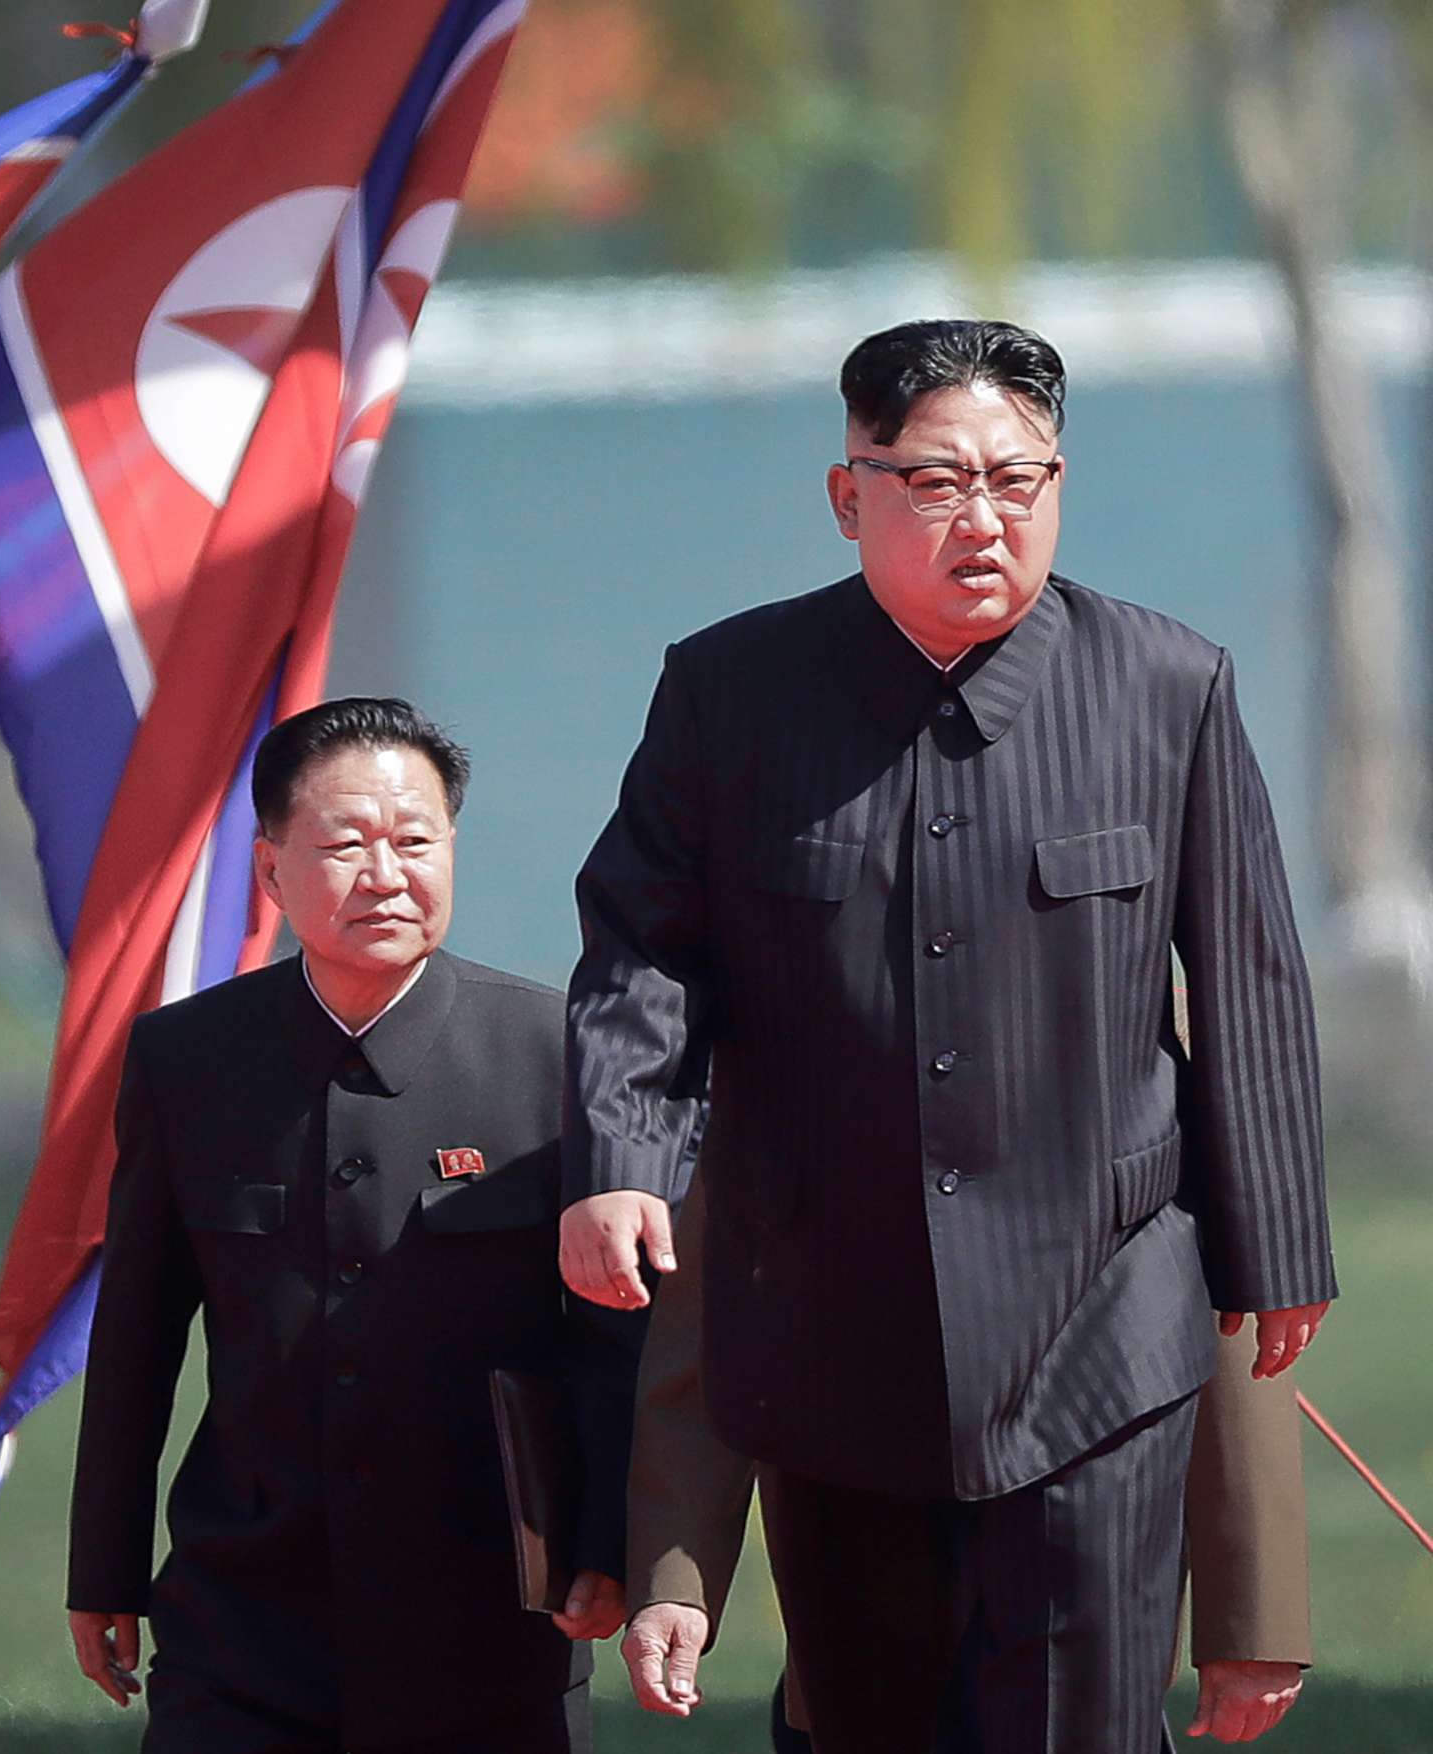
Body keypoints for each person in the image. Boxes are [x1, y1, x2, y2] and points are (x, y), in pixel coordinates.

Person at [555, 318, 1337, 1753]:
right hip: (827, 1325)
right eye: (936, 482)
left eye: (1019, 479)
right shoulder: (732, 696)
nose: (984, 518)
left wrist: (1277, 1247)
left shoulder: (1168, 688)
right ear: (850, 493)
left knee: (1077, 1722)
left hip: (1098, 1322)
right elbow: (642, 951)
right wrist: (621, 1157)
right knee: (867, 1721)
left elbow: (1248, 982)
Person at [67, 697, 646, 1754]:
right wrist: (103, 1568)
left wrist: (610, 1539)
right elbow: (138, 1337)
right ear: (271, 870)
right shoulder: (188, 1061)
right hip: (244, 1620)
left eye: (415, 840)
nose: (386, 872)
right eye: (345, 844)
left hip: (489, 1626)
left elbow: (614, 1335)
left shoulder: (555, 1053)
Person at [622, 1186, 1314, 1748]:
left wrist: (1253, 1617)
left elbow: (1221, 1271)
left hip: (1086, 1587)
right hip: (856, 1588)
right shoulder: (786, 1015)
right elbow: (717, 1295)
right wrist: (675, 1579)